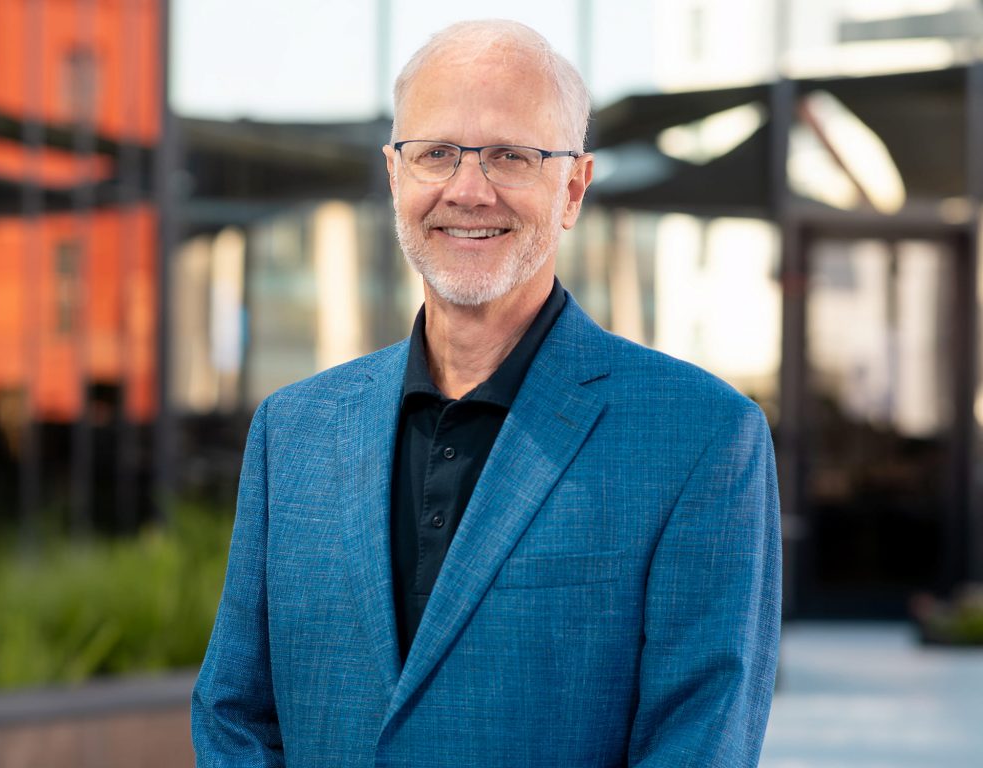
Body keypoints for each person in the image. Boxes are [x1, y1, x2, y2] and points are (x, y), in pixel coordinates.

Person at [192, 19, 781, 768]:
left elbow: (699, 744)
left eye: (511, 155)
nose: (469, 191)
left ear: (572, 187)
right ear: (395, 175)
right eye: (436, 154)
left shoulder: (702, 439)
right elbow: (233, 715)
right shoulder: (293, 430)